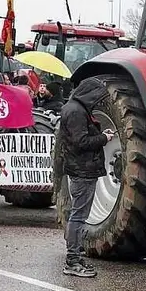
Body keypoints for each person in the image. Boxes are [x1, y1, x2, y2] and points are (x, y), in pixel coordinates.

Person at [55, 78, 115, 278]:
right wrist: (103, 138)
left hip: (82, 169)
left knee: (79, 214)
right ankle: (72, 259)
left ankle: (76, 256)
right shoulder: (76, 111)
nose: (98, 101)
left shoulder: (75, 108)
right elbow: (81, 141)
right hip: (82, 170)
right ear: (90, 94)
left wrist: (99, 135)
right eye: (97, 97)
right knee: (78, 215)